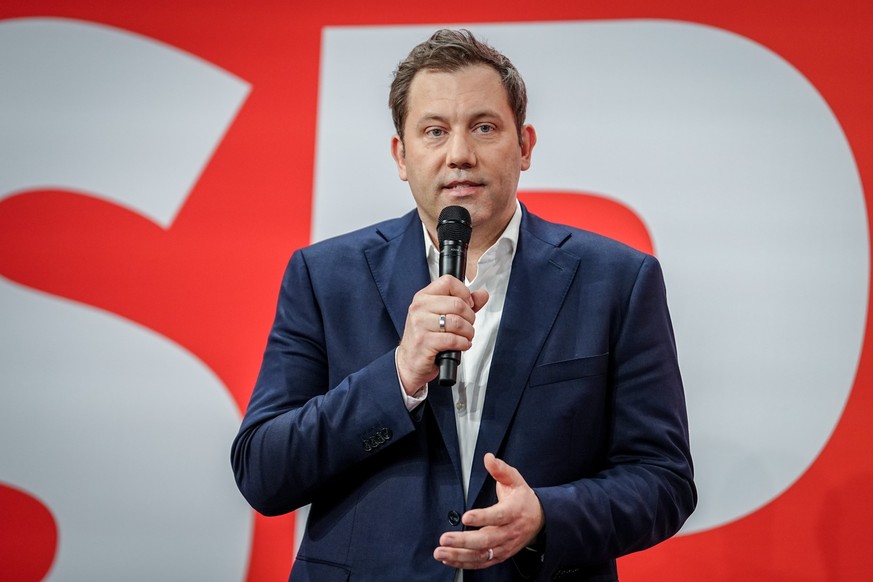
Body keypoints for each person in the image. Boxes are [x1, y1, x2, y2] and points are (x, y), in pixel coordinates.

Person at [231, 29, 696, 582]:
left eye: (483, 127)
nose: (459, 155)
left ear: (524, 146)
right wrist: (398, 376)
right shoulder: (325, 276)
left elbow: (663, 479)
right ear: (402, 156)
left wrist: (547, 515)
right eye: (434, 131)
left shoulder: (617, 280)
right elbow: (263, 472)